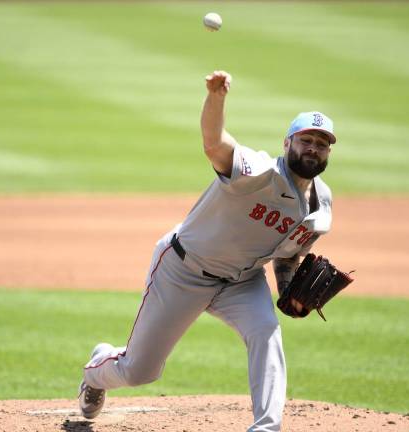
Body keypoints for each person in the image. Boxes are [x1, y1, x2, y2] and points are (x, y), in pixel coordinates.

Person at [78, 70, 337, 432]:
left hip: (242, 282)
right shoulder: (257, 171)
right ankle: (97, 371)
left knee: (266, 332)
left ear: (329, 152)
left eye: (321, 144)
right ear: (287, 143)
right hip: (184, 270)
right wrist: (216, 98)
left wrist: (288, 291)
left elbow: (288, 254)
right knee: (139, 371)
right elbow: (215, 144)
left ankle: (267, 426)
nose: (313, 148)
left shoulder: (321, 204)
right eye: (305, 140)